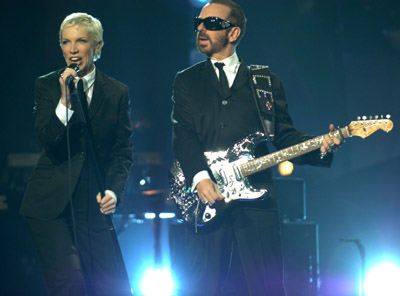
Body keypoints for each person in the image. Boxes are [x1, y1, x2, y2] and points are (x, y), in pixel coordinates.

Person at [170, 1, 342, 295]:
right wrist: (200, 177)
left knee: (268, 287)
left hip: (257, 198)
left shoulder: (265, 81)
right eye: (198, 22)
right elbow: (183, 134)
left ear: (233, 33)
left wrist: (321, 146)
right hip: (206, 196)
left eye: (211, 23)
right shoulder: (186, 80)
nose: (200, 27)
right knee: (199, 287)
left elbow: (284, 136)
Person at [20, 13, 133, 296]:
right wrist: (65, 101)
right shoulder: (46, 86)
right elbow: (48, 140)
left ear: (97, 47)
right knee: (69, 284)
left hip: (92, 201)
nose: (72, 50)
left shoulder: (117, 92)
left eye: (80, 41)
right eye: (66, 42)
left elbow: (122, 151)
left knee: (113, 285)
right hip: (50, 204)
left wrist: (114, 192)